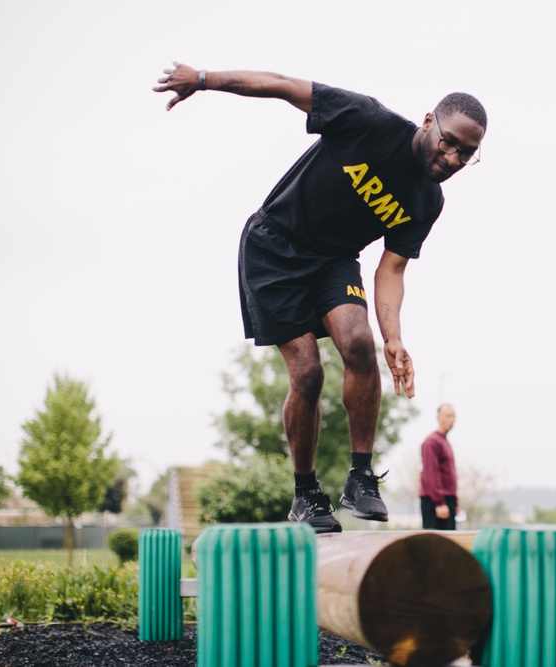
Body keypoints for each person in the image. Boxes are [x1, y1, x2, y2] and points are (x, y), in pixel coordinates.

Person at [154, 62, 487, 534]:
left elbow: (392, 268)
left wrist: (394, 338)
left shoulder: (427, 201)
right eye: (449, 141)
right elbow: (284, 87)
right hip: (274, 247)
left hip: (333, 261)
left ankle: (359, 477)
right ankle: (306, 492)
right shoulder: (367, 120)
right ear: (429, 121)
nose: (451, 158)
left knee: (359, 344)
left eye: (466, 154)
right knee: (307, 374)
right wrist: (204, 80)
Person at [419, 404, 459, 530]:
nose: (451, 420)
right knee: (435, 545)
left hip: (448, 501)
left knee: (450, 545)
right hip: (435, 503)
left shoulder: (445, 442)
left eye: (453, 416)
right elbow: (431, 474)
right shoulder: (432, 442)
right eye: (447, 416)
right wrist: (439, 503)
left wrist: (455, 502)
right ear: (438, 418)